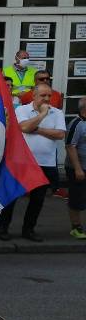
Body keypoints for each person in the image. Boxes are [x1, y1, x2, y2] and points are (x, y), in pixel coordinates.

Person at [0, 83, 65, 242]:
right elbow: (24, 127)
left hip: (46, 163)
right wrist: (42, 114)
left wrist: (38, 129)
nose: (47, 98)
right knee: (12, 196)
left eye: (49, 95)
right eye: (43, 95)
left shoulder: (57, 112)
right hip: (23, 161)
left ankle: (28, 229)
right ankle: (3, 227)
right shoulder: (22, 110)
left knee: (38, 199)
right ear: (34, 96)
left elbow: (60, 134)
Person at [66, 98, 86, 239]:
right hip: (79, 168)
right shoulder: (76, 123)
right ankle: (76, 227)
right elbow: (70, 146)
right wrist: (78, 169)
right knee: (77, 198)